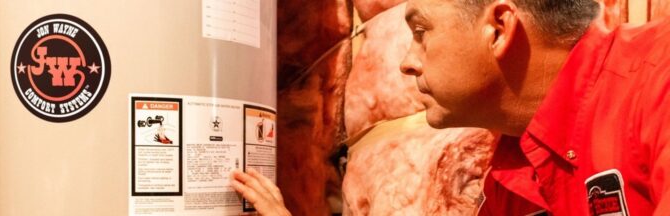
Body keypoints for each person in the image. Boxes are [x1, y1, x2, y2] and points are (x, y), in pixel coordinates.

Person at [231, 0, 670, 215]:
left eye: (421, 31)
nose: (407, 61)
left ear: (498, 28)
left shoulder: (657, 81)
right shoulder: (513, 168)